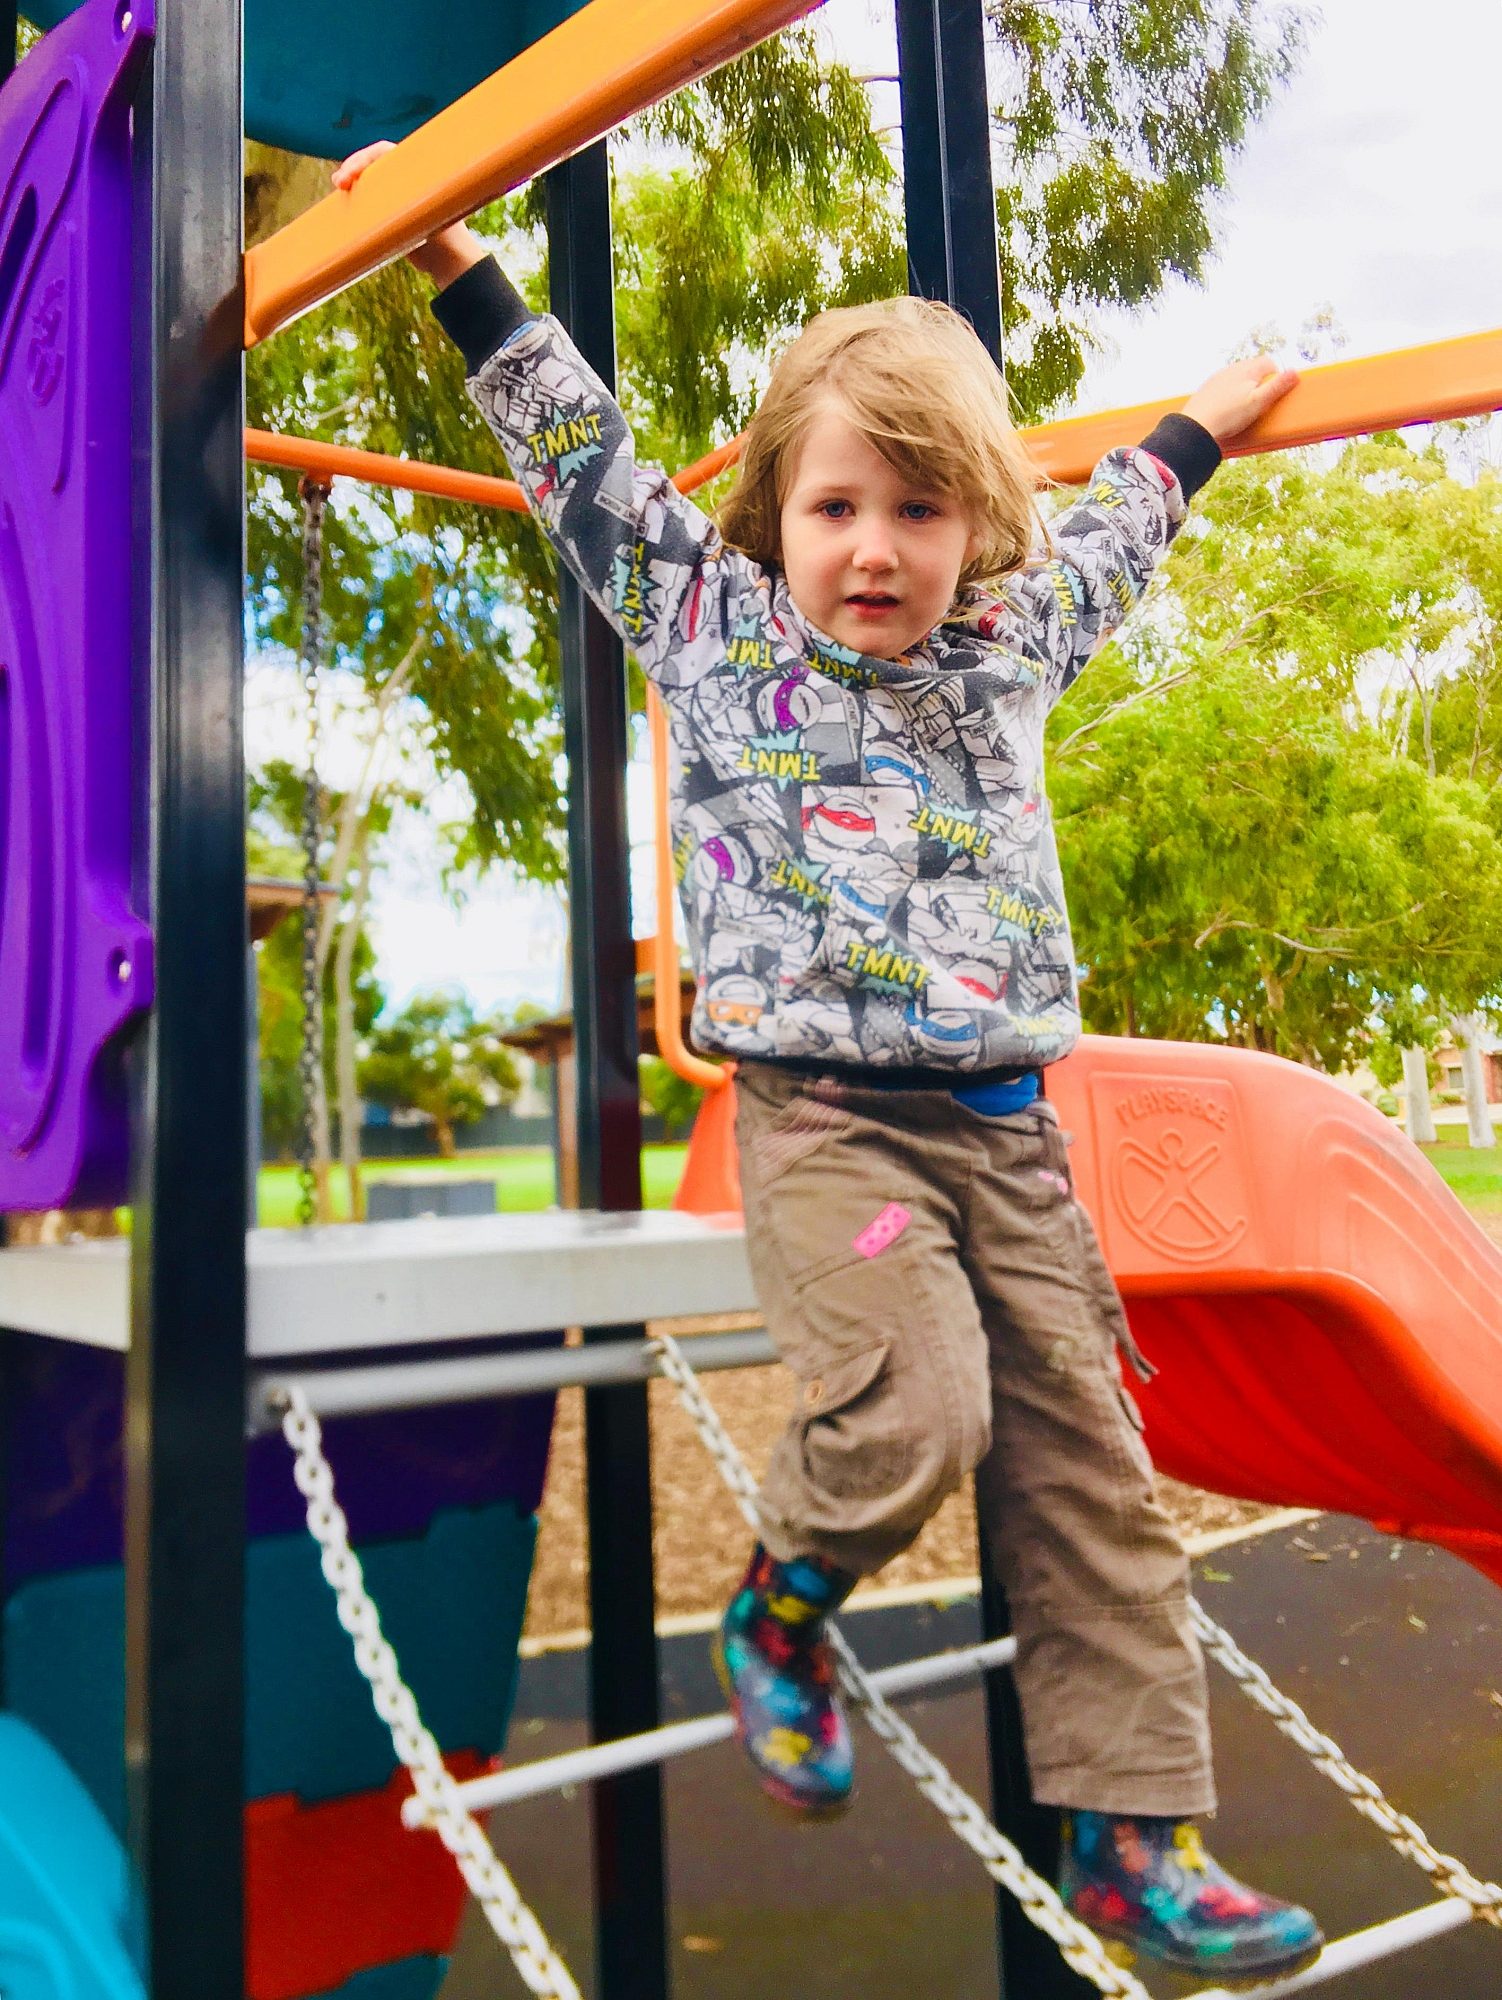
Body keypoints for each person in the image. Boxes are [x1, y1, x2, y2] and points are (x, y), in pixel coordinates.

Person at [333, 141, 1321, 1983]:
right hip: (830, 1132)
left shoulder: (1009, 647)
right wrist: (455, 252)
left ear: (975, 531)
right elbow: (578, 457)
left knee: (1092, 1473)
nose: (877, 550)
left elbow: (1118, 519)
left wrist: (1205, 418)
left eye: (924, 514)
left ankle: (1130, 1837)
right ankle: (786, 1606)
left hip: (1008, 1139)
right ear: (776, 511)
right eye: (839, 506)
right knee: (917, 1401)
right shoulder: (708, 633)